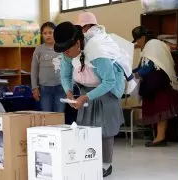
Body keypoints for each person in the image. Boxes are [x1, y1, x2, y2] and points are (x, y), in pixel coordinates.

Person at [54, 21, 125, 177]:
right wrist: (69, 92)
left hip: (107, 90)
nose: (65, 54)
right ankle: (89, 160)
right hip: (87, 88)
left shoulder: (97, 52)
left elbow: (109, 81)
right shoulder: (68, 53)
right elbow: (65, 75)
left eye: (66, 50)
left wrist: (86, 97)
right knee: (86, 126)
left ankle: (106, 164)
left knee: (104, 128)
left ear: (78, 43)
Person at [132, 26, 178, 147]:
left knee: (161, 112)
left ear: (143, 37)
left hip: (160, 85)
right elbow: (144, 65)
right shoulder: (154, 45)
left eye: (137, 40)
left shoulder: (153, 44)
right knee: (159, 111)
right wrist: (132, 71)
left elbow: (150, 65)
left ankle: (160, 138)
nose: (138, 43)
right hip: (158, 85)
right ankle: (159, 137)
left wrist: (136, 73)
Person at [76, 11, 136, 94]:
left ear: (88, 25)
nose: (81, 30)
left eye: (81, 27)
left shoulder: (94, 40)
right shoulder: (103, 36)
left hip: (107, 84)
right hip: (109, 81)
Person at [31, 21, 65, 112]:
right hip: (45, 88)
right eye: (45, 33)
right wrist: (34, 87)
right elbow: (34, 69)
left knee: (59, 114)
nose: (48, 35)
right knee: (46, 115)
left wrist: (70, 87)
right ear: (42, 35)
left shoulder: (62, 48)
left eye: (51, 33)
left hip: (61, 87)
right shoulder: (39, 50)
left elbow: (70, 67)